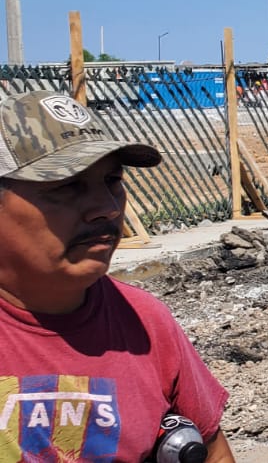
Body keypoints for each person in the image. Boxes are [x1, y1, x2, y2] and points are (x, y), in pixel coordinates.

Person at [0, 90, 233, 461]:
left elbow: (213, 452)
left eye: (112, 181)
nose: (106, 209)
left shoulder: (144, 322)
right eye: (65, 186)